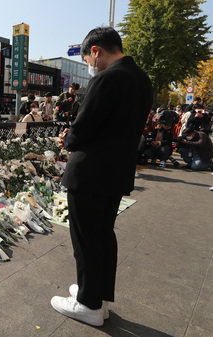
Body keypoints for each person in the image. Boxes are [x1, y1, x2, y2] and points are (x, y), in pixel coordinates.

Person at [53, 27, 152, 327]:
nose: (89, 65)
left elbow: (83, 128)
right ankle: (97, 295)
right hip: (116, 172)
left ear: (96, 51)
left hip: (90, 174)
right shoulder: (142, 80)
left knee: (85, 239)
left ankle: (88, 304)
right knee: (103, 236)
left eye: (87, 59)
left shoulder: (106, 78)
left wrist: (66, 140)